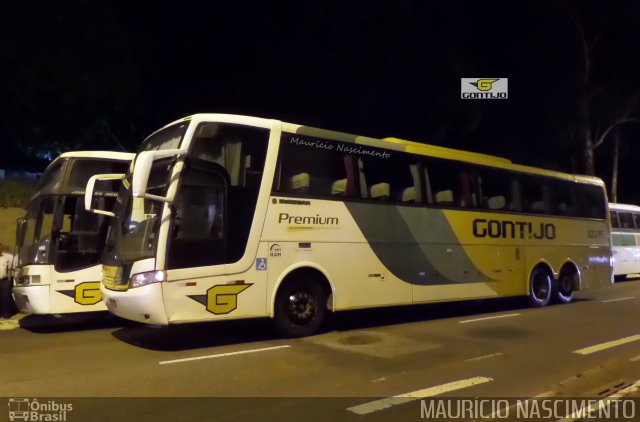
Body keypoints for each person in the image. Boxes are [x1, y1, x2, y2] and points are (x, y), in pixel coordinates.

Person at [0, 243, 16, 318]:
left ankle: (6, 314)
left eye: (0, 247)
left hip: (4, 281)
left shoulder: (6, 258)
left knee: (6, 298)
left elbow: (9, 269)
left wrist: (9, 280)